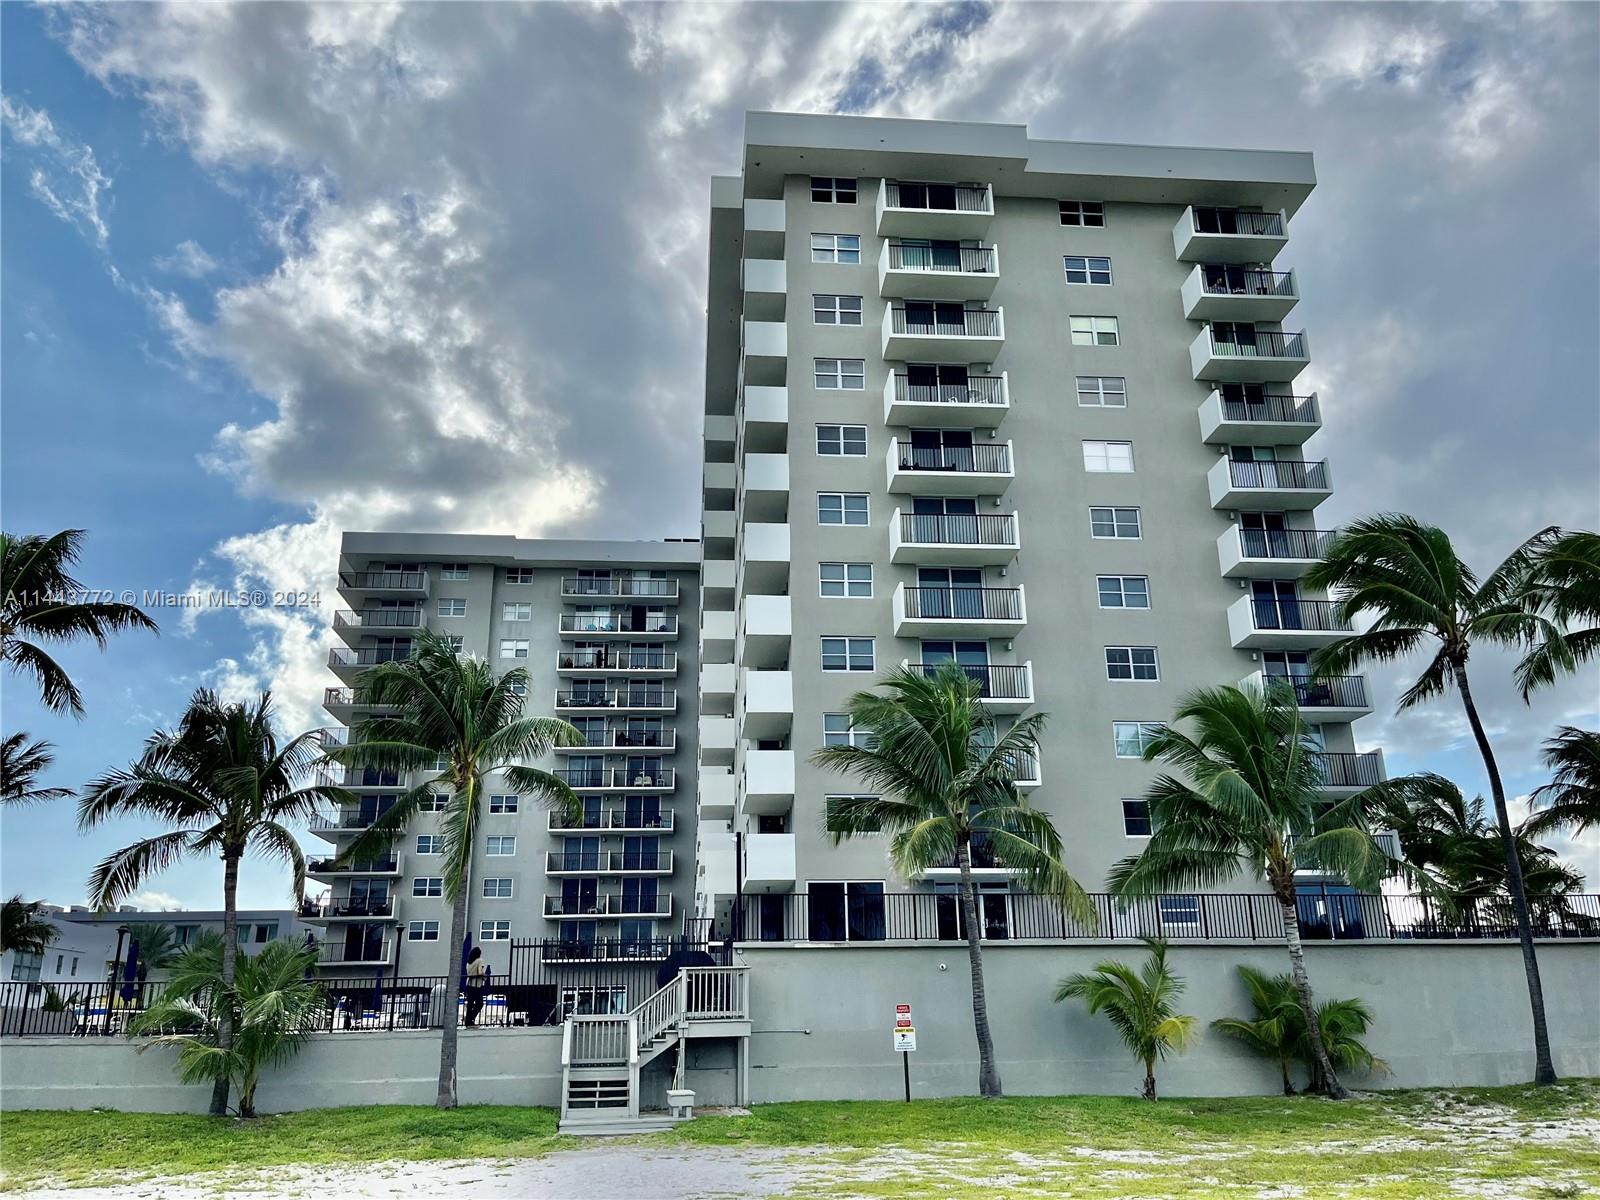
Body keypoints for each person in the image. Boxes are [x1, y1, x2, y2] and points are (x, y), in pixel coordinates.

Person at [463, 947, 489, 1027]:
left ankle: (468, 1021)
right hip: (477, 985)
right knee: (480, 1003)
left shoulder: (468, 963)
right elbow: (480, 972)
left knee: (470, 1003)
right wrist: (485, 976)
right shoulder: (479, 961)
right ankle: (470, 1018)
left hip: (469, 984)